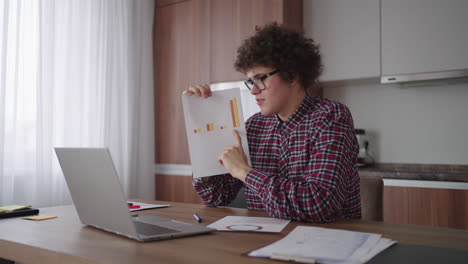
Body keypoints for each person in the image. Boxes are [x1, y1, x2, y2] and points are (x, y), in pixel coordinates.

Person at [183, 22, 361, 222]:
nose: (253, 90)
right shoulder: (254, 127)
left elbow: (317, 204)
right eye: (250, 81)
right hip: (264, 240)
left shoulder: (330, 117)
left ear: (292, 76)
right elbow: (217, 197)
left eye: (260, 79)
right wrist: (203, 130)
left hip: (327, 243)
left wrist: (244, 172)